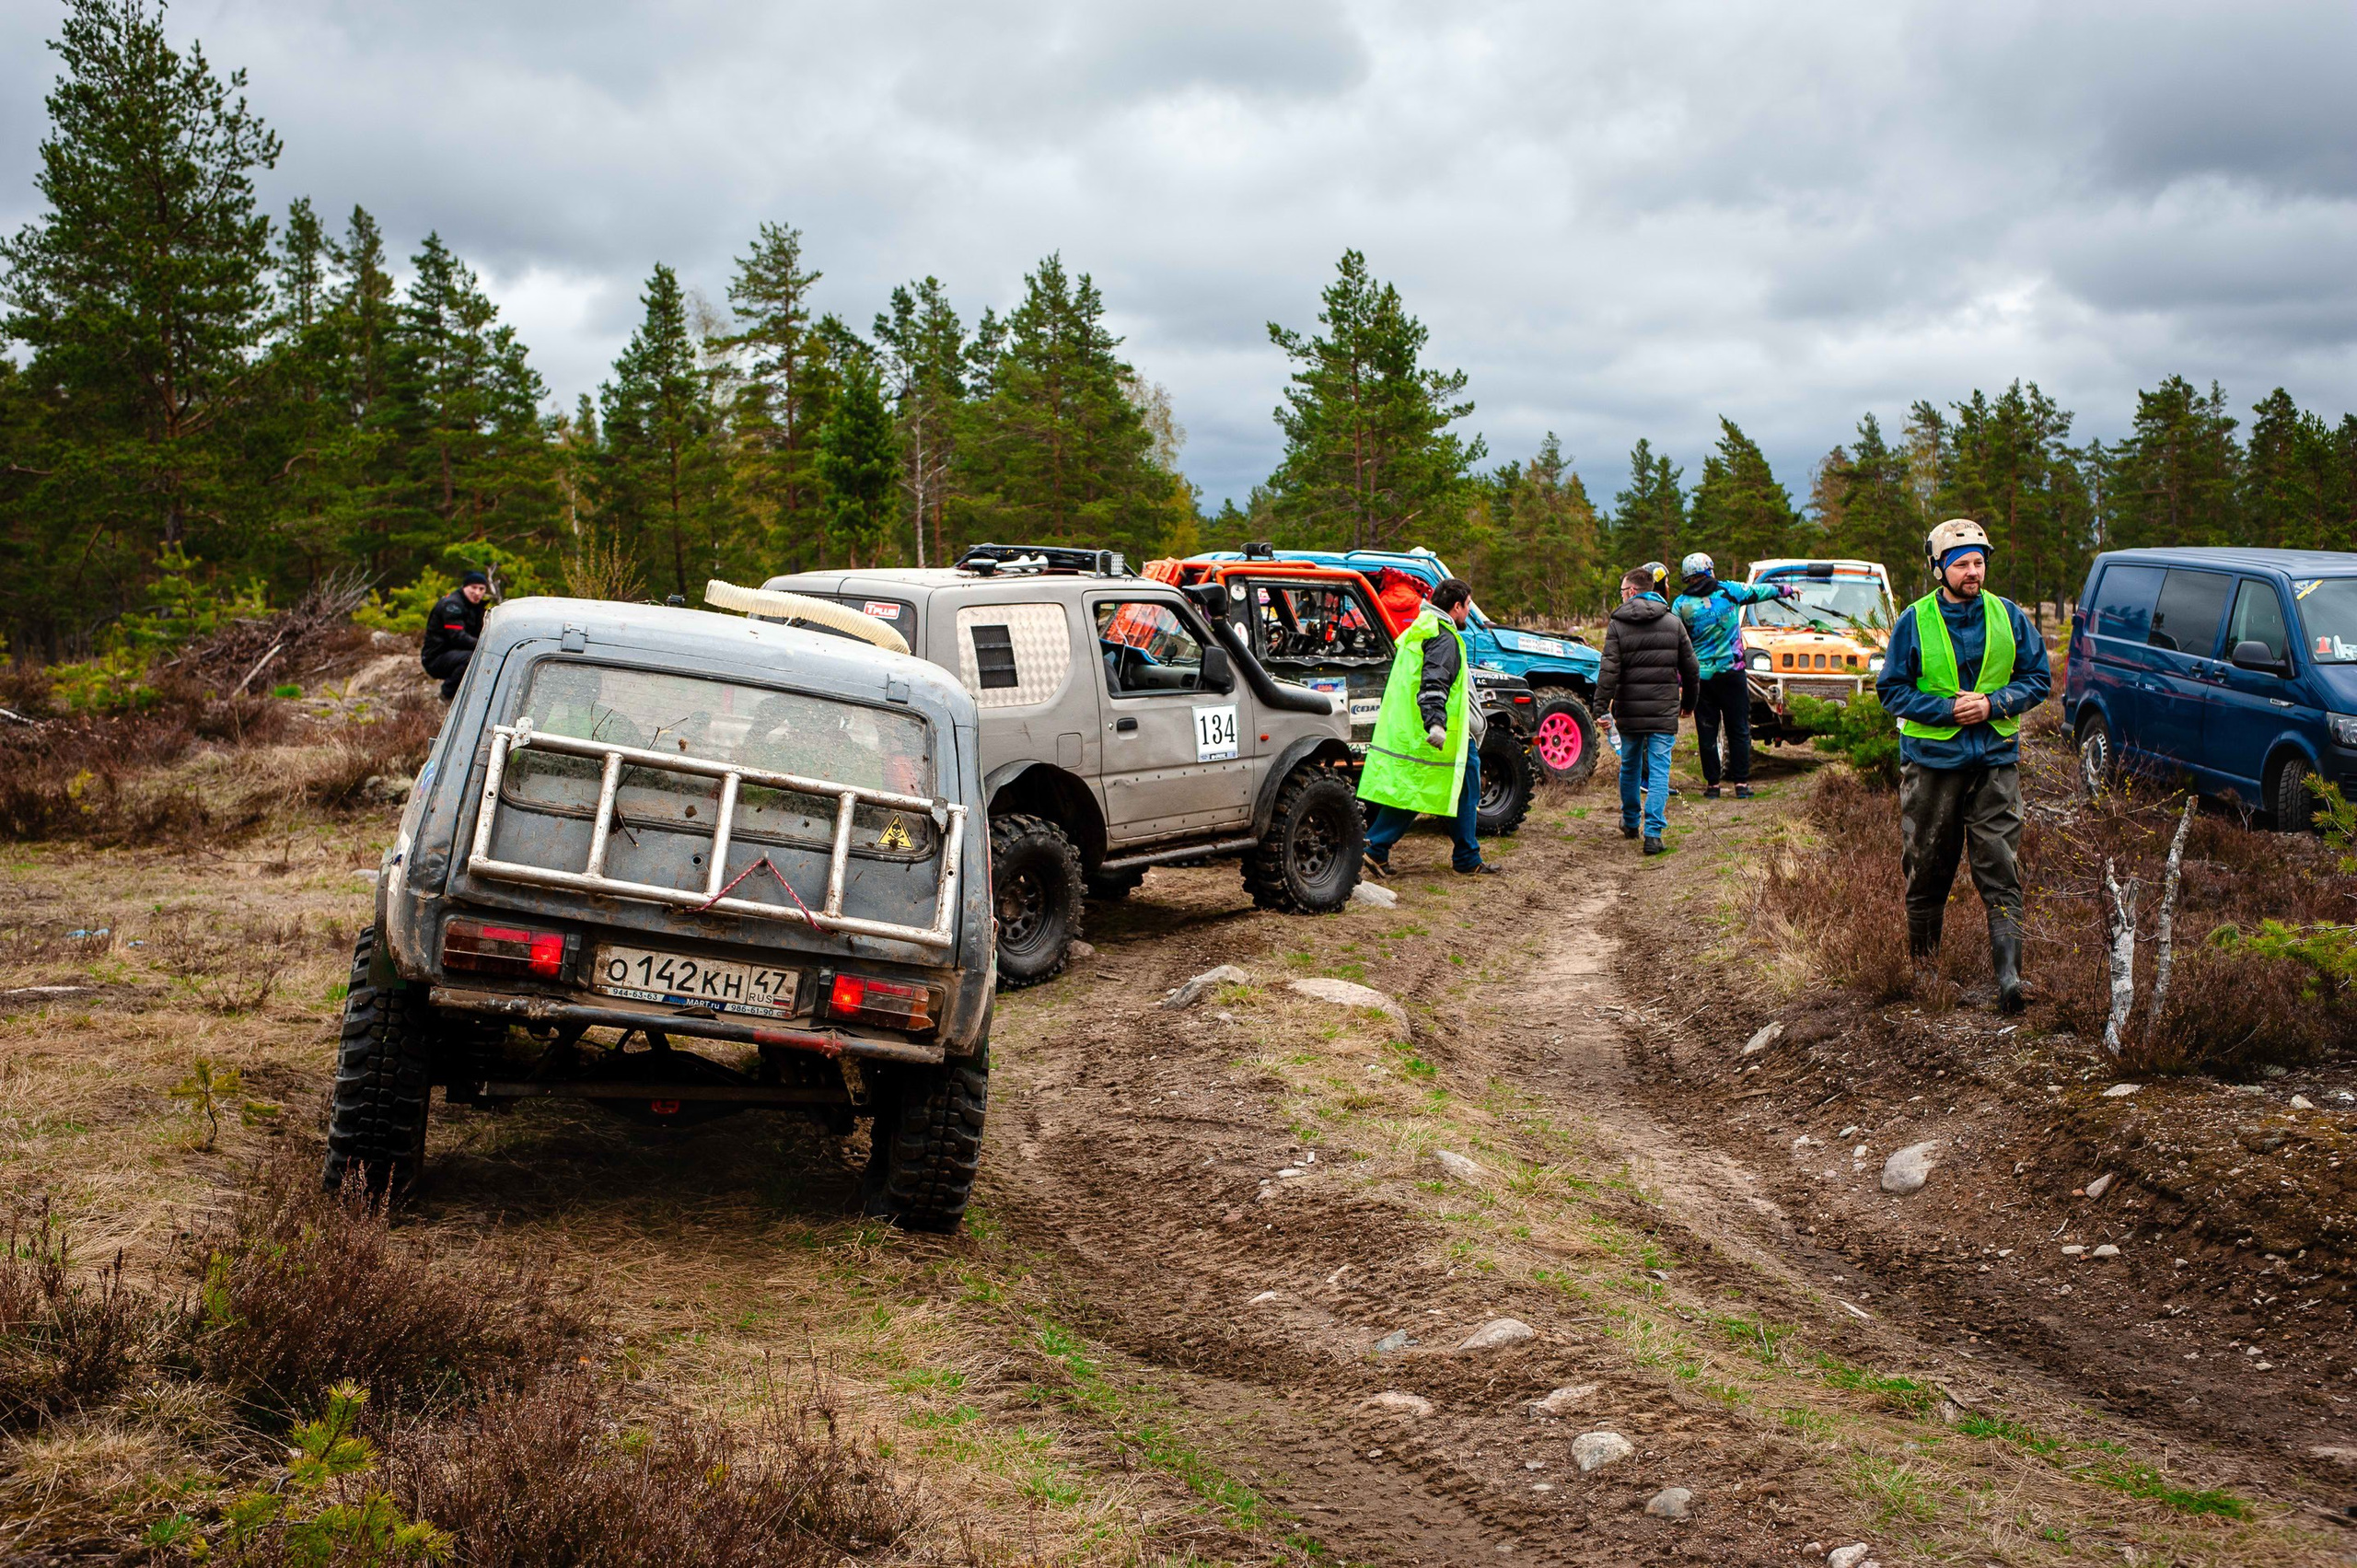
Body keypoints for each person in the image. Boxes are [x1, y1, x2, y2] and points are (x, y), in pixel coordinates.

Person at [1873, 518, 2052, 1014]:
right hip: (1932, 764)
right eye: (1962, 564)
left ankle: (2010, 980)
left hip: (1995, 760)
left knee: (2001, 867)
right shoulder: (1915, 619)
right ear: (1939, 569)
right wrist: (1949, 710)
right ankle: (1926, 971)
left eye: (1979, 562)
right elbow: (1892, 691)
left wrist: (1995, 703)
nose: (1973, 572)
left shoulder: (2009, 615)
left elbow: (2039, 678)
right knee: (1928, 867)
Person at [1358, 577, 1498, 878]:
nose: (1469, 613)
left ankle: (1377, 848)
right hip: (1445, 734)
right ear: (1456, 606)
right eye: (1468, 606)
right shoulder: (1443, 636)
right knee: (1464, 789)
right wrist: (1436, 723)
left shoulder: (1421, 627)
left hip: (1419, 730)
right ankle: (1466, 858)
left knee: (1420, 791)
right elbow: (1434, 681)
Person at [1671, 552, 1796, 800]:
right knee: (1738, 729)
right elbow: (1761, 591)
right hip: (1733, 674)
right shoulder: (1730, 591)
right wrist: (1786, 589)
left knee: (1707, 730)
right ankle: (1741, 783)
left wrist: (1680, 681)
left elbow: (1676, 645)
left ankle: (1713, 786)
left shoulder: (1680, 605)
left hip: (1701, 678)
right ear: (1709, 571)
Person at [1596, 565, 1697, 855]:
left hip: (1629, 711)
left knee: (1630, 766)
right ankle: (1653, 834)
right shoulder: (1672, 623)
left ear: (1631, 592)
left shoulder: (1618, 624)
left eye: (1622, 591)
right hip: (1664, 710)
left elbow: (1608, 671)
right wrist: (1688, 704)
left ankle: (1630, 822)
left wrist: (1601, 708)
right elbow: (1691, 669)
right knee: (1659, 769)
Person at [421, 570, 489, 701]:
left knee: (483, 657)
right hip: (436, 657)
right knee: (472, 659)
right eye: (473, 588)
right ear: (465, 587)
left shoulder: (476, 607)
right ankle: (446, 695)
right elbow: (458, 637)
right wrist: (485, 645)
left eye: (481, 589)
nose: (477, 593)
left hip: (454, 654)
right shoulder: (452, 605)